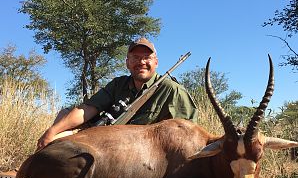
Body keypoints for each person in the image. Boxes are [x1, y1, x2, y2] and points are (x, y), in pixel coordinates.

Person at [37, 37, 198, 150]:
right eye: (135, 57)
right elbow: (88, 108)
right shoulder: (118, 84)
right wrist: (51, 132)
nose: (141, 62)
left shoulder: (172, 90)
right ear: (127, 62)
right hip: (103, 139)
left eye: (146, 57)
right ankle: (35, 163)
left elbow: (187, 134)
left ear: (156, 62)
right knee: (63, 117)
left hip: (138, 152)